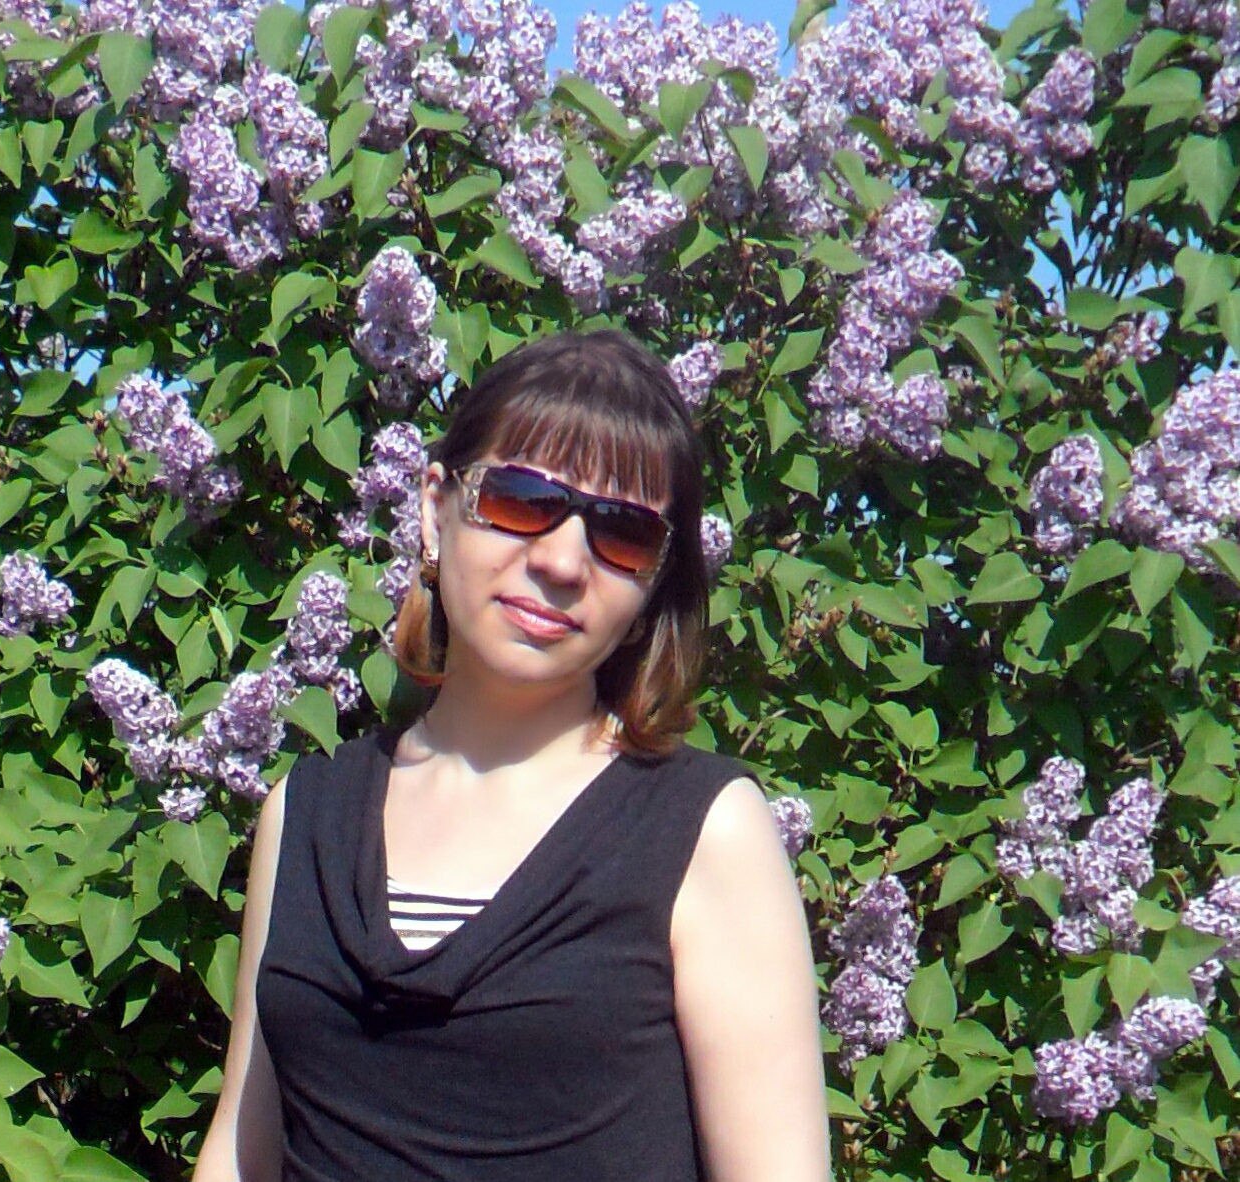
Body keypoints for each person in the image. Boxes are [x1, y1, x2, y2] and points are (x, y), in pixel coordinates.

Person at [193, 330, 830, 1182]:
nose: (563, 561)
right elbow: (241, 1151)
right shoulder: (305, 812)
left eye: (623, 533)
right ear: (435, 509)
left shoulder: (703, 833)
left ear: (652, 586)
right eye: (524, 499)